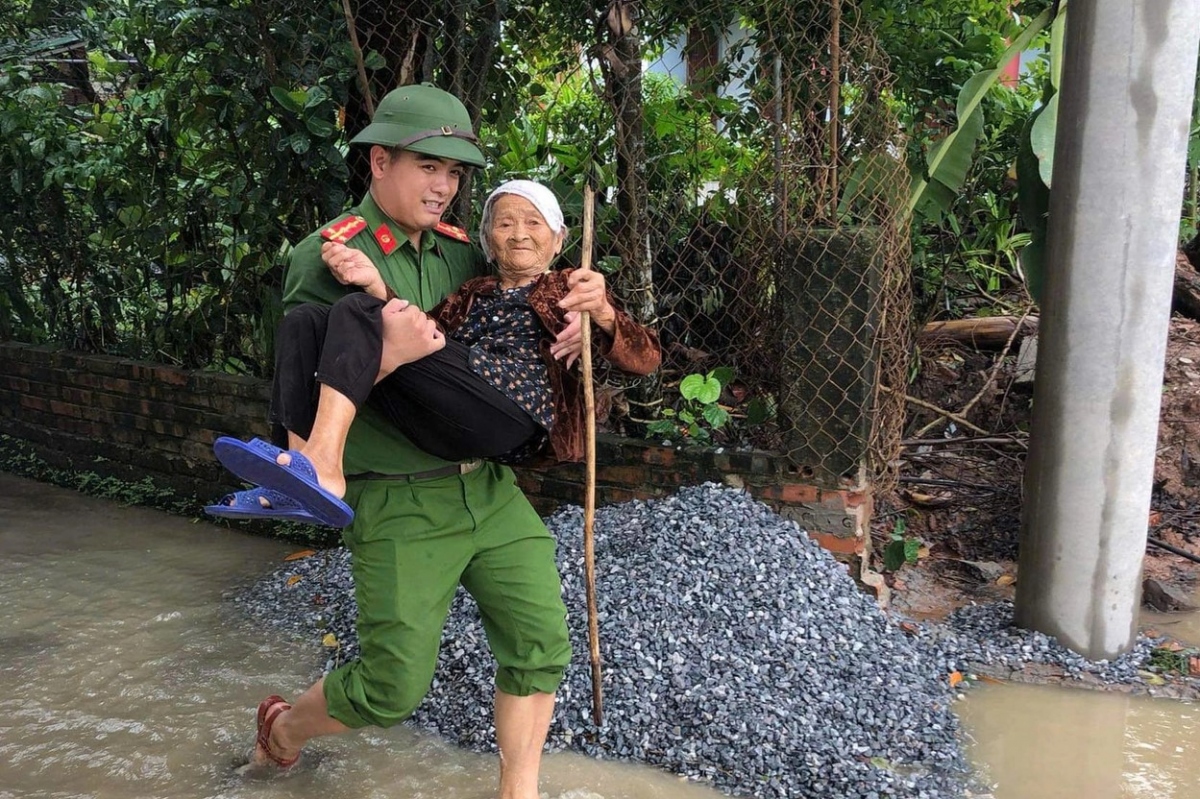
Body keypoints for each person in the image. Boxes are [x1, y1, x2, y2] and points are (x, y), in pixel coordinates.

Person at [222, 84, 627, 799]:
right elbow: (313, 372)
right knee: (390, 686)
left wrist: (591, 312)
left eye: (455, 172)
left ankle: (518, 792)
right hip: (400, 498)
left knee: (541, 643)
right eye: (428, 167)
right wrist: (390, 344)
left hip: (489, 488)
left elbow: (522, 310)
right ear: (378, 162)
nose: (445, 187)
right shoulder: (327, 254)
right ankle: (283, 731)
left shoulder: (463, 254)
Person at [207, 180, 660, 528]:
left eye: (533, 223)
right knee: (305, 320)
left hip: (512, 416)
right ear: (488, 240)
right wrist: (375, 285)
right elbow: (418, 338)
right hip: (454, 411)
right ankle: (297, 473)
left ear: (558, 240)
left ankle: (325, 467)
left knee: (358, 310)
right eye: (505, 224)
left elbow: (646, 360)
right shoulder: (473, 293)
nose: (519, 234)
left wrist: (602, 315)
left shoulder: (572, 290)